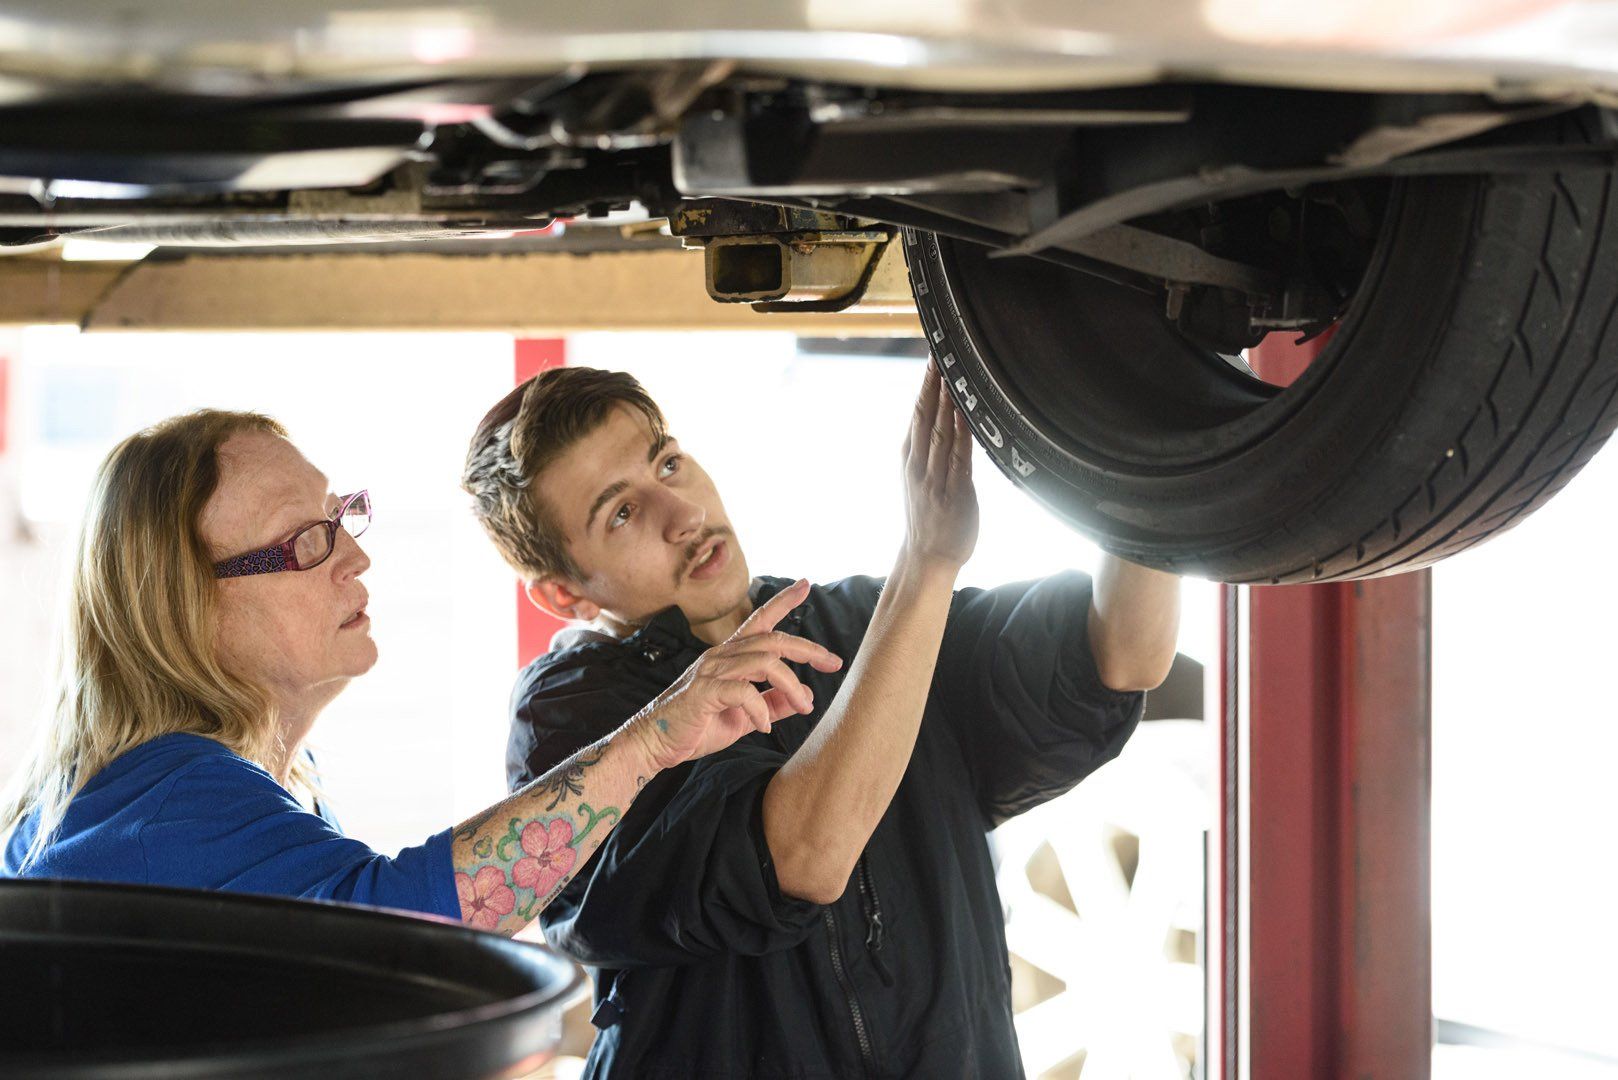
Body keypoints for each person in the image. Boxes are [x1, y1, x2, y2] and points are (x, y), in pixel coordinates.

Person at [461, 361, 1181, 1075]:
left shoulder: (865, 625)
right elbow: (803, 856)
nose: (682, 516)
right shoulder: (572, 726)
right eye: (621, 513)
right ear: (564, 597)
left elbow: (1122, 655)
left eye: (670, 463)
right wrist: (925, 565)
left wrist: (1152, 449)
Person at [0, 409, 840, 938]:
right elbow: (403, 932)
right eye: (304, 543)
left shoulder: (217, 782)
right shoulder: (166, 798)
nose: (355, 556)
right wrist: (654, 738)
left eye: (339, 518)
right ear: (185, 602)